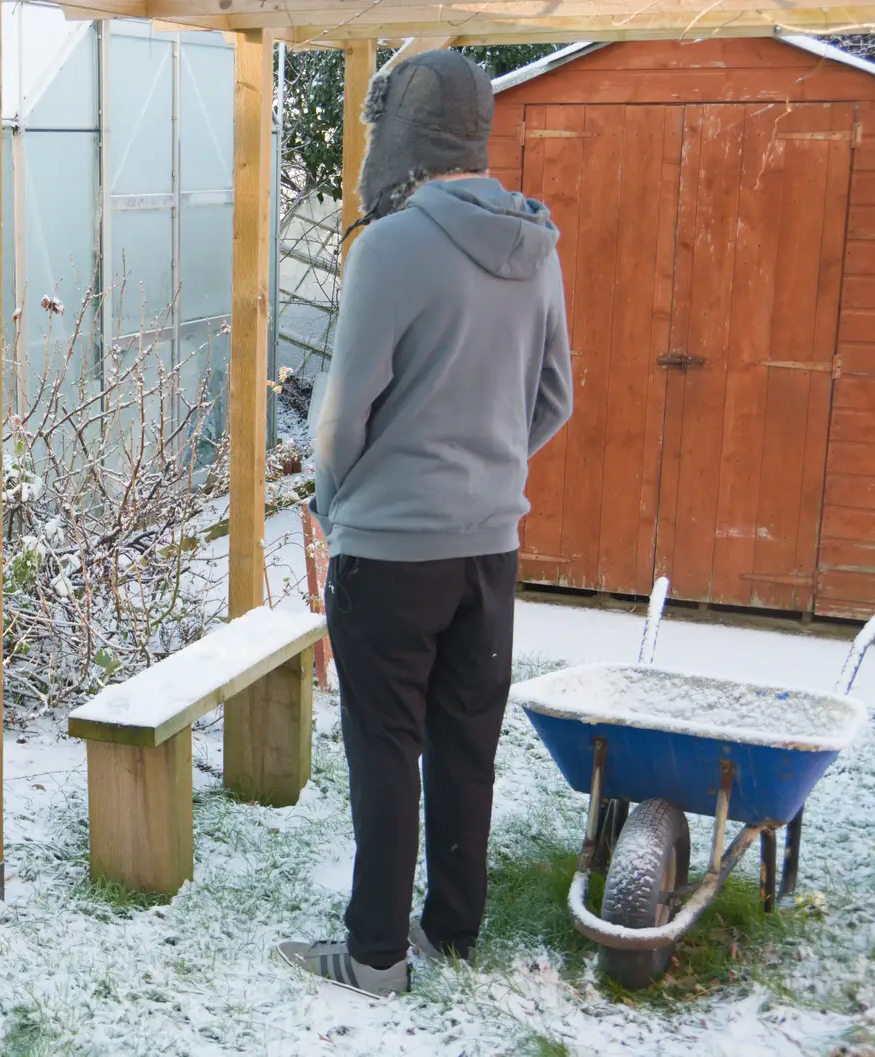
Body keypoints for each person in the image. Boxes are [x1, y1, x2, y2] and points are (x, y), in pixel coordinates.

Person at [276, 49, 574, 997]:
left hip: (391, 553)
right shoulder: (537, 245)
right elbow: (555, 398)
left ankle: (375, 956)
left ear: (400, 131)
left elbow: (339, 415)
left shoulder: (392, 247)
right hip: (490, 550)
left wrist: (341, 498)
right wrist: (486, 469)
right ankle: (453, 930)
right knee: (463, 746)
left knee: (382, 747)